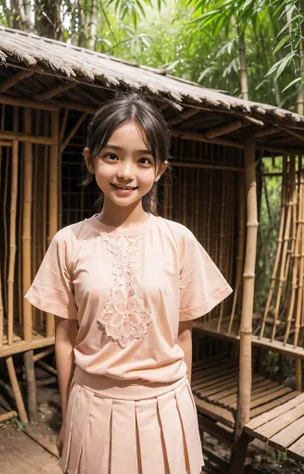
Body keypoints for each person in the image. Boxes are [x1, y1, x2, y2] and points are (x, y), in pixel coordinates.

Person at [25, 93, 232, 474]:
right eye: (112, 156)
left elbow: (183, 335)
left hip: (166, 408)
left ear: (160, 169)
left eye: (143, 160)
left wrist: (183, 414)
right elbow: (65, 336)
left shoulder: (179, 240)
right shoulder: (68, 242)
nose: (126, 173)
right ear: (90, 160)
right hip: (93, 409)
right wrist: (69, 416)